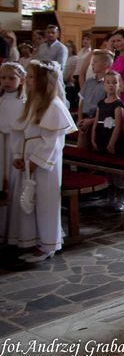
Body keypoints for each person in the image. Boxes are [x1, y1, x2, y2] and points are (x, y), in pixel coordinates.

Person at [6, 60, 76, 262]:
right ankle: (31, 239)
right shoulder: (30, 103)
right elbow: (18, 132)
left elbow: (53, 142)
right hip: (27, 160)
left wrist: (36, 162)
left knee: (45, 202)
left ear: (44, 80)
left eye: (31, 77)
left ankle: (47, 244)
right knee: (28, 201)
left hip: (45, 164)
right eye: (27, 76)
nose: (27, 80)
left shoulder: (54, 106)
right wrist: (18, 155)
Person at [0, 63, 26, 243]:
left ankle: (13, 231)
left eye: (11, 78)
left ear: (22, 80)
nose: (6, 81)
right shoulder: (1, 98)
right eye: (3, 78)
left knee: (13, 184)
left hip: (14, 146)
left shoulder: (23, 102)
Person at [77, 50, 113, 150]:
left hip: (99, 121)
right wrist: (80, 119)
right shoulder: (89, 81)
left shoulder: (109, 84)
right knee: (81, 149)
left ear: (105, 65)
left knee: (97, 149)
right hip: (85, 119)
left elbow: (108, 108)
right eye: (92, 62)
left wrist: (91, 121)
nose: (92, 64)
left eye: (95, 62)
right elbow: (82, 100)